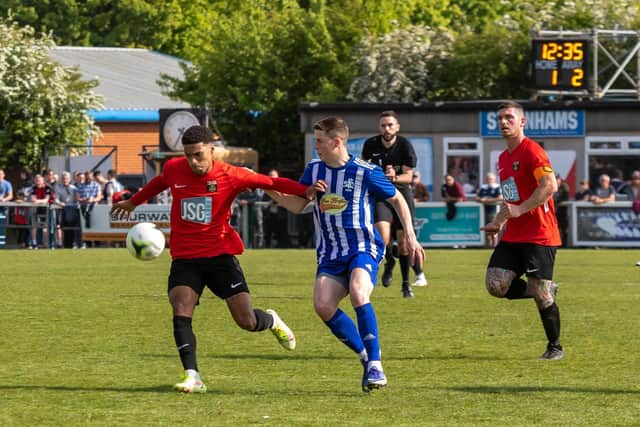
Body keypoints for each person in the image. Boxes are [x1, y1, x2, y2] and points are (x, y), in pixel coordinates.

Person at [110, 125, 308, 394]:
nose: (193, 162)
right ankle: (193, 376)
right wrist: (135, 202)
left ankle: (271, 320)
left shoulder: (231, 175)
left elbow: (272, 183)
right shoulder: (174, 168)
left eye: (199, 155)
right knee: (180, 308)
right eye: (189, 155)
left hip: (220, 256)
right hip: (185, 257)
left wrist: (306, 191)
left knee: (246, 321)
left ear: (211, 150)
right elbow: (159, 182)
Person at [265, 116, 425, 392]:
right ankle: (365, 356)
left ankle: (376, 363)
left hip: (362, 246)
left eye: (319, 141)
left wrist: (409, 234)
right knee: (323, 305)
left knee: (358, 292)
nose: (316, 146)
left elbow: (397, 198)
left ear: (336, 141)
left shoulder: (365, 171)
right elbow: (297, 206)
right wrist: (269, 188)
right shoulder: (314, 170)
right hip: (330, 252)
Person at [481, 101, 563, 361]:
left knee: (541, 294)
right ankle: (544, 288)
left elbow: (550, 186)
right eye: (500, 119)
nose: (504, 123)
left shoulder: (533, 151)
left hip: (540, 234)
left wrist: (521, 209)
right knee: (495, 285)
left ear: (522, 122)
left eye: (509, 118)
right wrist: (499, 221)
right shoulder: (503, 158)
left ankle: (555, 347)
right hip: (514, 234)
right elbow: (510, 198)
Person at [362, 110, 426, 298]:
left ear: (397, 127)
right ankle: (389, 261)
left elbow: (408, 177)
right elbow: (365, 170)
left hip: (402, 194)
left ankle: (406, 284)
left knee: (405, 242)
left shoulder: (405, 145)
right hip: (381, 194)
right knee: (382, 236)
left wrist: (394, 176)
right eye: (383, 125)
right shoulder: (371, 144)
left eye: (390, 125)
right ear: (379, 127)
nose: (387, 128)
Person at [261, 169, 290, 248]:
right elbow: (263, 202)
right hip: (269, 215)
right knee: (268, 233)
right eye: (270, 176)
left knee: (282, 233)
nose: (272, 177)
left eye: (274, 176)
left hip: (281, 215)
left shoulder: (283, 187)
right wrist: (269, 203)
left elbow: (287, 199)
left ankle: (283, 247)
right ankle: (267, 247)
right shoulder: (265, 189)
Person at [54, 171, 82, 248]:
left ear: (69, 179)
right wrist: (61, 203)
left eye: (66, 178)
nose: (65, 180)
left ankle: (74, 243)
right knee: (63, 227)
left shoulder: (74, 188)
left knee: (73, 227)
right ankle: (65, 244)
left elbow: (77, 199)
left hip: (73, 210)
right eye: (63, 178)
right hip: (63, 209)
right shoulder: (58, 188)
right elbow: (56, 200)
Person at [476, 172, 502, 247]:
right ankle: (488, 244)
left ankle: (495, 244)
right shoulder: (483, 187)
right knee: (485, 227)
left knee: (493, 227)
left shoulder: (497, 187)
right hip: (483, 210)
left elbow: (500, 198)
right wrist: (481, 199)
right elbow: (477, 198)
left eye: (490, 179)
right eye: (487, 179)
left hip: (494, 210)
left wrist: (487, 200)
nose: (489, 180)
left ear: (494, 179)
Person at [29, 174, 55, 249]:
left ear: (43, 181)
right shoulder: (33, 188)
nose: (38, 182)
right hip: (36, 209)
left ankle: (46, 244)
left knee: (46, 227)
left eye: (39, 180)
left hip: (47, 209)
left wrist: (37, 201)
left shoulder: (48, 187)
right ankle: (34, 243)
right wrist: (38, 201)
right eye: (36, 180)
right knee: (34, 226)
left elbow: (46, 200)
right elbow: (32, 199)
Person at [553, 174, 570, 247]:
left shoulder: (564, 188)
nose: (556, 180)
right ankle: (556, 244)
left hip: (562, 212)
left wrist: (556, 203)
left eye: (557, 179)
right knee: (555, 229)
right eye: (555, 179)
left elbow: (564, 198)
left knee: (564, 229)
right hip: (554, 213)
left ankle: (564, 244)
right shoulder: (551, 187)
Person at [0, 168, 14, 247]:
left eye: (1, 174)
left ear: (4, 175)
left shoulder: (7, 184)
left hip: (3, 207)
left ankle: (1, 244)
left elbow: (11, 196)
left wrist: (4, 199)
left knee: (1, 225)